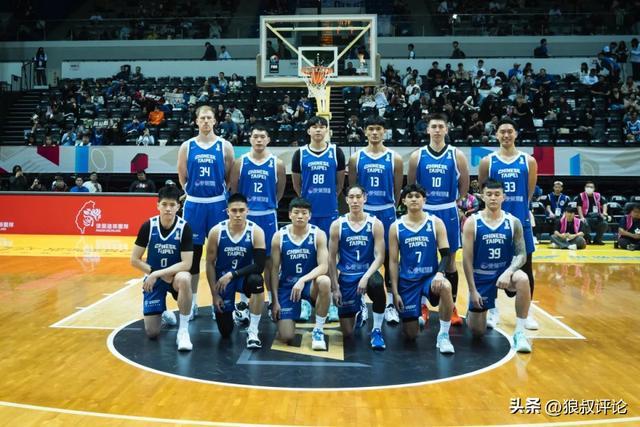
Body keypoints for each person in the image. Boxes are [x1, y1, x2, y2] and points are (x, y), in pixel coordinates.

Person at [407, 113, 470, 328]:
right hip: (424, 211)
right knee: (422, 260)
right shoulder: (417, 156)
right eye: (433, 126)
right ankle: (422, 305)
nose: (436, 130)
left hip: (447, 210)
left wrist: (457, 202)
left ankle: (450, 307)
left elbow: (465, 183)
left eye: (440, 126)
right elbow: (412, 185)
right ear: (427, 130)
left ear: (446, 129)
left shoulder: (456, 154)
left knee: (450, 261)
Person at [478, 117, 538, 330]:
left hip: (520, 221)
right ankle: (493, 310)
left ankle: (526, 313)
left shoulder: (528, 161)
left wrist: (519, 211)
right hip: (494, 222)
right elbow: (484, 190)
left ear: (516, 134)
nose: (506, 135)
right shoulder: (488, 161)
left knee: (526, 268)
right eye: (502, 131)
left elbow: (529, 193)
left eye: (509, 131)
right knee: (490, 265)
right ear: (496, 135)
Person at [177, 105, 234, 321]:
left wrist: (221, 194)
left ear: (215, 121)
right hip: (194, 205)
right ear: (196, 121)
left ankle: (216, 299)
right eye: (202, 118)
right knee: (193, 256)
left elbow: (229, 175)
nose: (206, 121)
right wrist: (190, 193)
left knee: (219, 255)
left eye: (209, 118)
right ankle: (192, 302)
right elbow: (182, 174)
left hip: (217, 203)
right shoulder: (187, 146)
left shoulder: (224, 145)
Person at [462, 179, 532, 353]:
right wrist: (472, 290)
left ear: (503, 197)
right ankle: (476, 312)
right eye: (489, 194)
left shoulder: (513, 221)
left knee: (523, 279)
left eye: (497, 194)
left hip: (504, 273)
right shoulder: (472, 222)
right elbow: (467, 260)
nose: (493, 198)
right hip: (481, 275)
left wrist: (509, 271)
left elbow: (522, 254)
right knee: (477, 332)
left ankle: (519, 333)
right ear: (482, 197)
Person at [348, 115, 403, 325]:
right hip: (365, 212)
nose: (374, 132)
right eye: (370, 128)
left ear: (384, 132)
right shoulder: (356, 158)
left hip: (386, 211)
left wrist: (389, 205)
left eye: (378, 128)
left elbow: (397, 190)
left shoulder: (395, 158)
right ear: (365, 131)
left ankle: (390, 304)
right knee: (361, 257)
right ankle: (360, 303)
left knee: (389, 259)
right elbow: (354, 189)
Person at [291, 115, 346, 322]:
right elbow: (297, 185)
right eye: (314, 127)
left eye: (322, 127)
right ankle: (305, 302)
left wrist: (330, 197)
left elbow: (339, 184)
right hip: (307, 214)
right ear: (308, 131)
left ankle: (331, 301)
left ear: (327, 131)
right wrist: (306, 203)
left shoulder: (336, 152)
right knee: (306, 256)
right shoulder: (300, 154)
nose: (318, 130)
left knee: (331, 258)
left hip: (329, 212)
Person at [389, 184, 455, 353]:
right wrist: (395, 293)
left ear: (424, 200)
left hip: (429, 278)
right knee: (411, 335)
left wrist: (440, 273)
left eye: (417, 196)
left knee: (446, 286)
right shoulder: (396, 226)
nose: (414, 199)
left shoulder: (435, 222)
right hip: (407, 282)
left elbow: (446, 254)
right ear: (404, 201)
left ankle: (443, 335)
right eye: (410, 196)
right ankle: (415, 315)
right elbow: (393, 262)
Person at [229, 126, 286, 318]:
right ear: (250, 139)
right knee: (245, 257)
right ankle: (243, 301)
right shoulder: (240, 162)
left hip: (268, 215)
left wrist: (268, 204)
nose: (259, 140)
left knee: (269, 261)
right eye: (255, 136)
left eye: (262, 136)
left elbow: (279, 191)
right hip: (246, 216)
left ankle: (271, 300)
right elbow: (235, 191)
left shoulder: (277, 163)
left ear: (268, 139)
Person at [130, 186, 194, 351]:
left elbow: (187, 264)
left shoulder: (184, 227)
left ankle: (183, 331)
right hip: (155, 279)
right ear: (157, 205)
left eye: (172, 205)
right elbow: (134, 260)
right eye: (164, 204)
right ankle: (163, 311)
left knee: (185, 278)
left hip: (174, 278)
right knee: (152, 333)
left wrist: (158, 273)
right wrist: (154, 274)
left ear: (178, 207)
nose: (168, 209)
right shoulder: (148, 226)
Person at [328, 185, 387, 349]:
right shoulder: (337, 225)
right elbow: (331, 258)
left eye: (358, 197)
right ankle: (360, 306)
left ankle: (377, 330)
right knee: (347, 332)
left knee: (377, 284)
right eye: (351, 197)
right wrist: (335, 288)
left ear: (365, 198)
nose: (355, 201)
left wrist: (366, 277)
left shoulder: (375, 223)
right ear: (346, 200)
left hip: (368, 272)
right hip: (347, 276)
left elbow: (380, 256)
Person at [206, 193, 266, 348]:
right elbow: (210, 263)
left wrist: (233, 274)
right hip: (222, 283)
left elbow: (260, 265)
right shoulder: (216, 231)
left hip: (242, 278)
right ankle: (237, 312)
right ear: (227, 211)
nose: (238, 214)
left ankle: (253, 330)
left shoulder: (256, 231)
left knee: (257, 280)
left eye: (241, 210)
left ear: (247, 211)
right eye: (234, 210)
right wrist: (214, 294)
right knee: (225, 332)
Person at [270, 198, 332, 351]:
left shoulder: (318, 234)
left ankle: (318, 330)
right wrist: (274, 301)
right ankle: (295, 308)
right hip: (287, 287)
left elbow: (324, 266)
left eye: (304, 213)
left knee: (324, 281)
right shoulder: (279, 236)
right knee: (286, 336)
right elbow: (274, 270)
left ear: (309, 216)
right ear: (289, 215)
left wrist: (303, 280)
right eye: (296, 212)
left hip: (309, 285)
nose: (300, 216)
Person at [577, 181, 609, 245]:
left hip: (597, 217)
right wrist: (582, 217)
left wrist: (604, 212)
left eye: (591, 187)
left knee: (604, 224)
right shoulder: (581, 195)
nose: (589, 188)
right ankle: (587, 239)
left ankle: (597, 239)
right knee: (584, 223)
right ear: (585, 188)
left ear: (594, 189)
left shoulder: (598, 195)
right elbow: (579, 207)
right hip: (586, 217)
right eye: (587, 186)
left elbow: (604, 204)